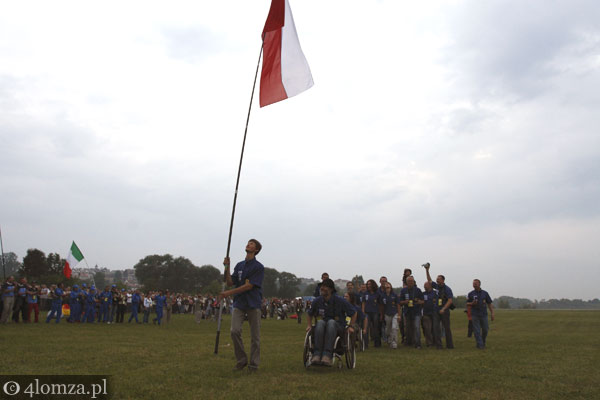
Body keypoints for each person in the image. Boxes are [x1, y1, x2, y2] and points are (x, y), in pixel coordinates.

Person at [220, 239, 265, 372]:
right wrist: (227, 267)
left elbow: (248, 286)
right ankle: (241, 360)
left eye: (252, 244)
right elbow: (229, 282)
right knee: (234, 331)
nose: (248, 244)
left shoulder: (258, 267)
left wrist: (228, 293)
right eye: (248, 242)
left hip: (253, 303)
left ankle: (254, 364)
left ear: (256, 250)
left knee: (255, 337)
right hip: (239, 303)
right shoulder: (239, 265)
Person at [306, 279, 356, 366]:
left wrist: (351, 326)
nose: (322, 288)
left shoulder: (340, 300)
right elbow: (309, 313)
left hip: (338, 326)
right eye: (321, 286)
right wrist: (309, 325)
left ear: (331, 289)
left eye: (324, 286)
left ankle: (327, 355)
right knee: (321, 322)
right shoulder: (317, 301)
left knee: (331, 322)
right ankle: (317, 354)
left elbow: (354, 313)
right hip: (322, 326)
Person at [425, 264, 454, 349]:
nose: (437, 280)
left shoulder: (447, 289)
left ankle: (450, 345)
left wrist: (444, 308)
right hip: (436, 310)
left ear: (443, 280)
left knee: (447, 328)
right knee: (436, 328)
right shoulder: (436, 286)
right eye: (437, 279)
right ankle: (439, 345)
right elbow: (429, 280)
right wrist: (427, 270)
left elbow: (450, 300)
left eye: (438, 279)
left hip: (444, 311)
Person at [467, 279, 495, 349]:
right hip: (475, 314)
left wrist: (492, 313)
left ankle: (482, 341)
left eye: (476, 283)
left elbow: (489, 303)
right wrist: (472, 303)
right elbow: (467, 303)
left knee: (485, 329)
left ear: (479, 284)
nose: (474, 284)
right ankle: (480, 345)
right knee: (477, 330)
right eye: (473, 283)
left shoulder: (485, 293)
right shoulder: (470, 294)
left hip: (483, 314)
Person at [399, 276, 424, 348]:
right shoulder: (403, 291)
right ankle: (409, 342)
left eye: (412, 281)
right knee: (407, 328)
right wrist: (405, 302)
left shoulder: (418, 290)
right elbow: (400, 302)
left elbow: (423, 301)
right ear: (406, 282)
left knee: (416, 327)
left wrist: (419, 302)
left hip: (416, 312)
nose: (410, 282)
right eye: (409, 281)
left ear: (414, 282)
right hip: (407, 312)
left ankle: (418, 344)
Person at [362, 279, 383, 348]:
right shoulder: (365, 293)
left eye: (370, 284)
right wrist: (363, 312)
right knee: (366, 328)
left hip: (375, 312)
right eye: (367, 284)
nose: (369, 285)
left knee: (375, 328)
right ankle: (365, 344)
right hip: (367, 313)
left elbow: (380, 304)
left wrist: (381, 314)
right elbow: (363, 303)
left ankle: (377, 343)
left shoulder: (378, 293)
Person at [381, 282, 400, 349]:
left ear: (391, 287)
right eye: (386, 288)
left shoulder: (394, 295)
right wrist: (382, 315)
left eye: (388, 287)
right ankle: (389, 340)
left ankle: (394, 343)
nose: (387, 289)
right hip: (387, 314)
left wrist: (399, 315)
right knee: (387, 330)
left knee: (394, 328)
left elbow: (398, 305)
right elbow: (382, 306)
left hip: (394, 313)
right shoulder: (383, 296)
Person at [421, 281, 437, 347]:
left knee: (435, 328)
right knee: (427, 329)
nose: (424, 286)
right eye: (424, 285)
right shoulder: (423, 294)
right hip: (426, 313)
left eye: (426, 285)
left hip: (434, 313)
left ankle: (435, 341)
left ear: (430, 286)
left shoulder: (435, 293)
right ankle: (429, 343)